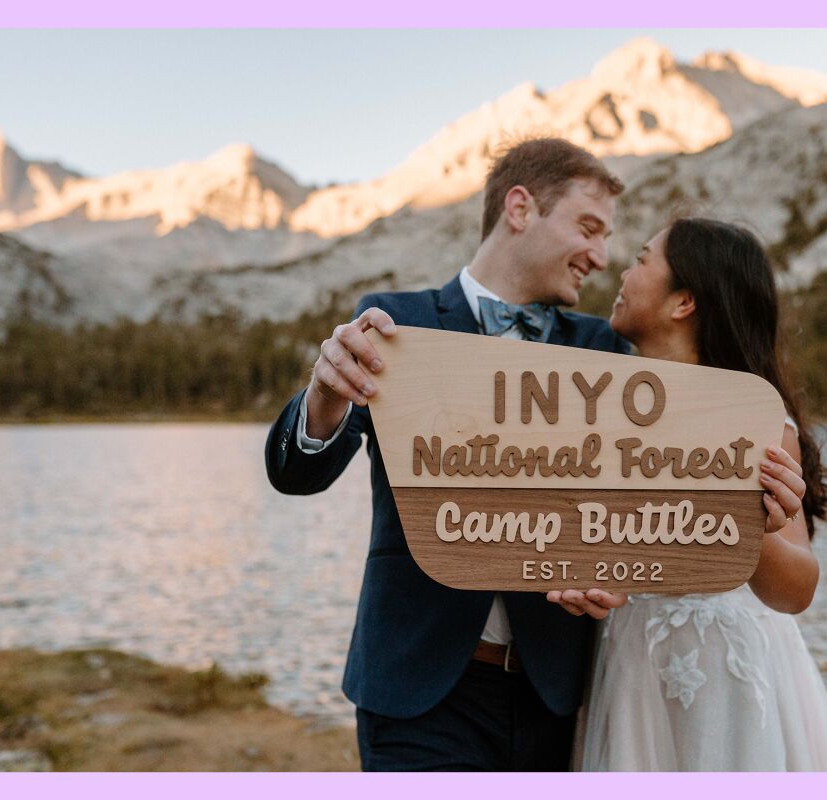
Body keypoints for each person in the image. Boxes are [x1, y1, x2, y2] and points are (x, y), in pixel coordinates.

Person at [265, 137, 640, 771]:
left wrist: (613, 568)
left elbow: (626, 508)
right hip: (417, 691)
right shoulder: (397, 322)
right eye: (588, 227)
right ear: (520, 209)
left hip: (552, 696)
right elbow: (296, 475)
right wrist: (325, 398)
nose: (601, 256)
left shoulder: (603, 348)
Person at [550, 218, 827, 771]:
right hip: (631, 669)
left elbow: (797, 589)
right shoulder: (601, 417)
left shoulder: (753, 419)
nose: (622, 269)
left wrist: (738, 522)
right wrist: (587, 583)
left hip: (726, 674)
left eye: (642, 259)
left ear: (683, 301)